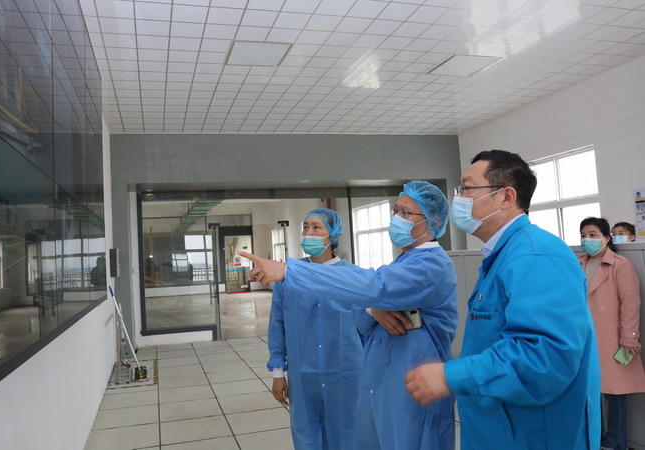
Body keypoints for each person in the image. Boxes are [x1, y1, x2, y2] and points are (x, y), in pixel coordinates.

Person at [405, 150, 601, 449]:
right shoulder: (506, 255)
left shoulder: (536, 255)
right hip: (503, 430)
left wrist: (452, 376)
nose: (459, 199)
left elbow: (545, 357)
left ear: (506, 197)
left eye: (466, 189)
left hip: (534, 436)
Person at [242, 181, 458, 450]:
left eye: (405, 213)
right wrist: (372, 309)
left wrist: (290, 270)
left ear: (433, 222)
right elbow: (364, 317)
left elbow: (375, 286)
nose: (396, 219)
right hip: (388, 382)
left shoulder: (429, 265)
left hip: (415, 383)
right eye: (395, 211)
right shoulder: (404, 263)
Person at [267, 208, 376, 449]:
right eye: (305, 227)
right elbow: (277, 325)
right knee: (306, 433)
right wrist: (277, 373)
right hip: (303, 374)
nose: (309, 232)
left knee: (348, 432)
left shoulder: (353, 276)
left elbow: (367, 329)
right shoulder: (288, 276)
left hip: (347, 371)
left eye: (317, 227)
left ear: (333, 234)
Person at [579, 217, 645, 450]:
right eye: (583, 235)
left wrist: (629, 338)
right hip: (585, 339)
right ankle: (594, 438)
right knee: (589, 393)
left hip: (612, 339)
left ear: (606, 238)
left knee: (615, 394)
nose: (587, 240)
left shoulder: (620, 264)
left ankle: (615, 442)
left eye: (593, 235)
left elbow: (630, 304)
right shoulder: (578, 264)